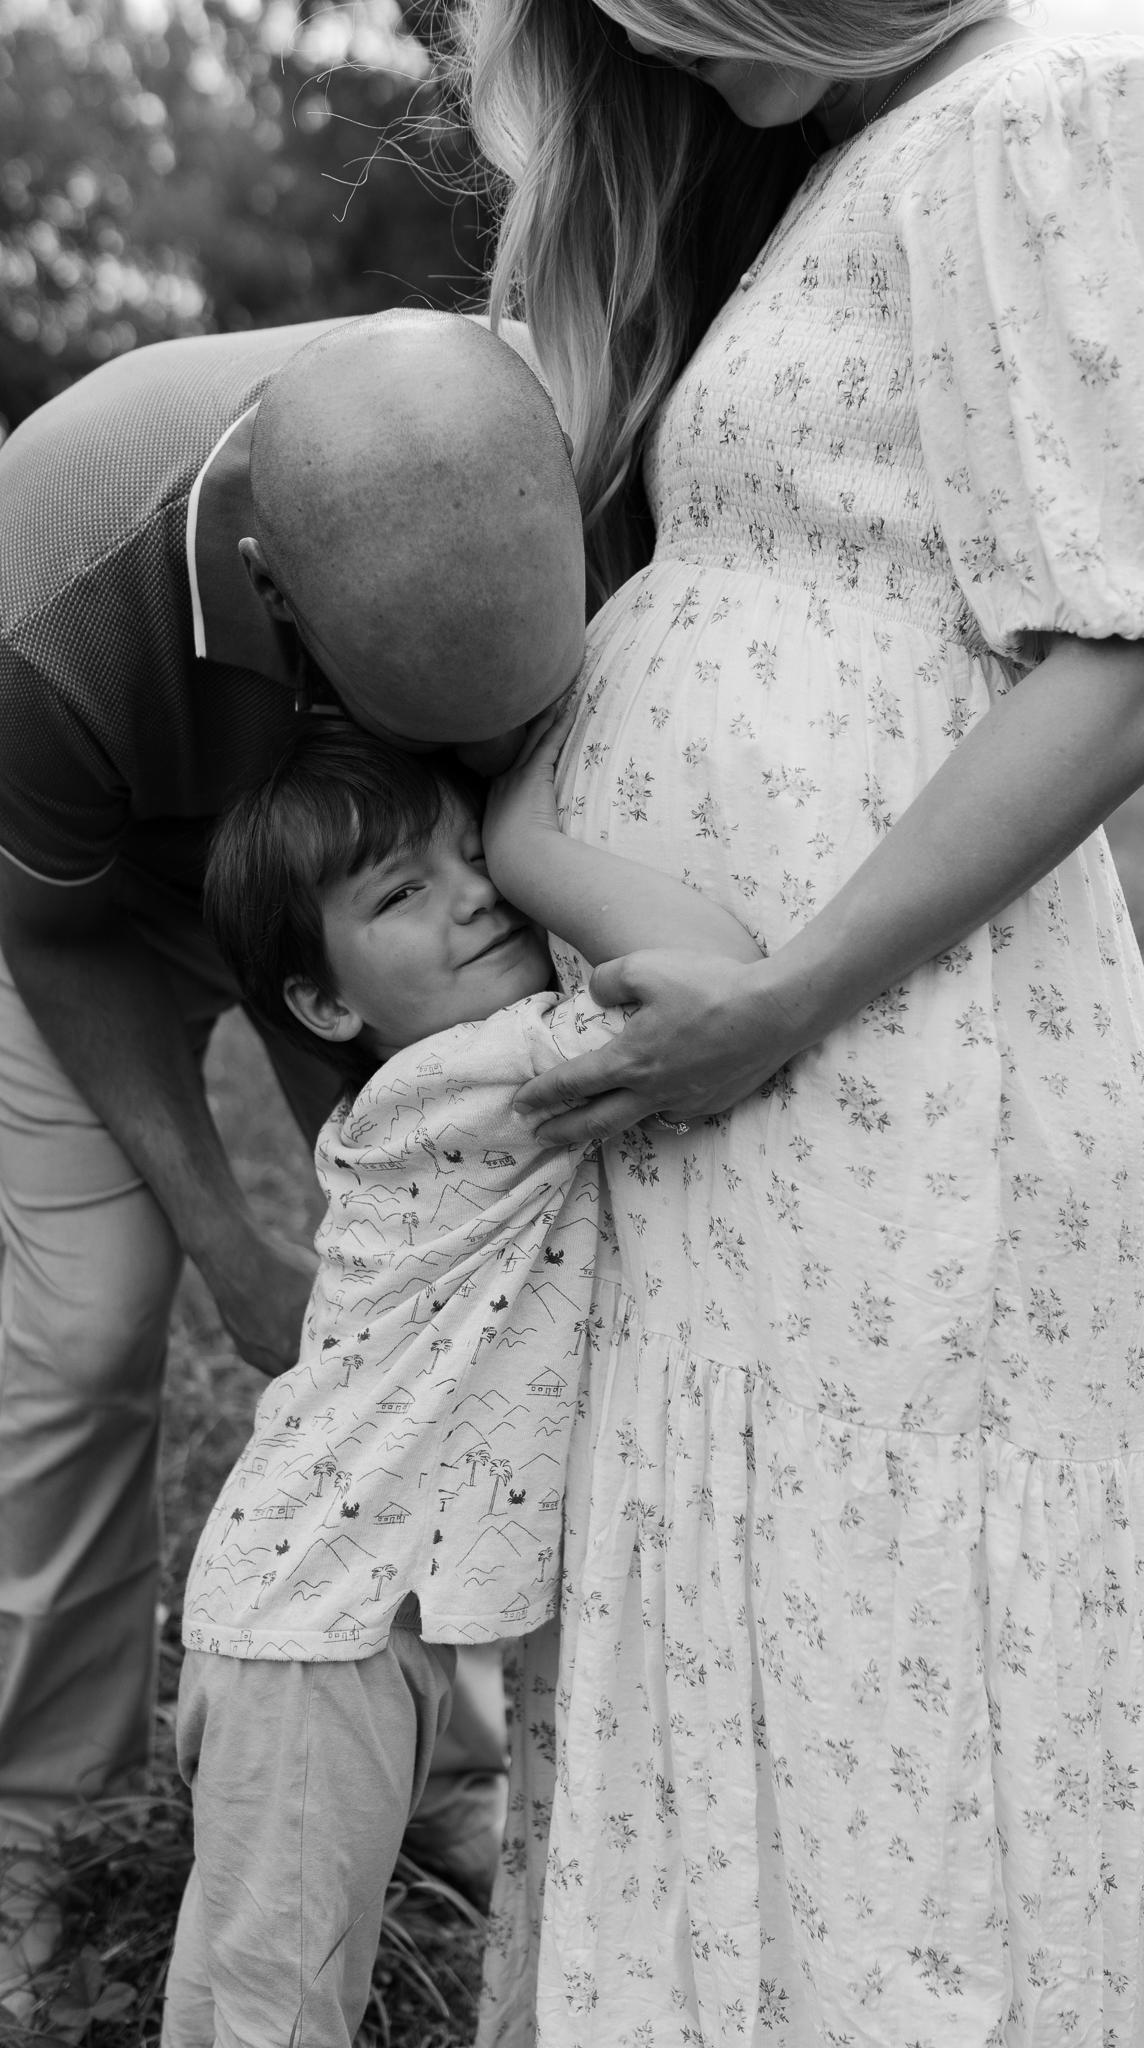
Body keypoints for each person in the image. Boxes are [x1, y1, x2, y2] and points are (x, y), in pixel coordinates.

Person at [463, 3, 1144, 2042]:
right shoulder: (847, 154)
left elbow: (1110, 646)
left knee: (877, 1623)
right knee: (748, 1615)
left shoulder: (1035, 110)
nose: (646, 52)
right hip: (763, 1089)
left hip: (885, 1060)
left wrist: (783, 990)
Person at [0, 310, 589, 2027]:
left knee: (429, 1325)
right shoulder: (50, 588)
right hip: (100, 903)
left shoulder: (517, 434)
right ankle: (29, 1842)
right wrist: (226, 1236)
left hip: (378, 898)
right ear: (273, 595)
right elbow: (55, 933)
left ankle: (430, 1753)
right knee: (87, 1327)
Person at [160, 714, 759, 2048]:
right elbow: (712, 982)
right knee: (282, 2003)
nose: (478, 890)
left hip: (353, 1609)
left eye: (464, 851)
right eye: (403, 890)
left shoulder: (444, 1076)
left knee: (242, 1982)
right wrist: (537, 828)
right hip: (318, 1631)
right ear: (326, 1006)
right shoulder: (465, 1081)